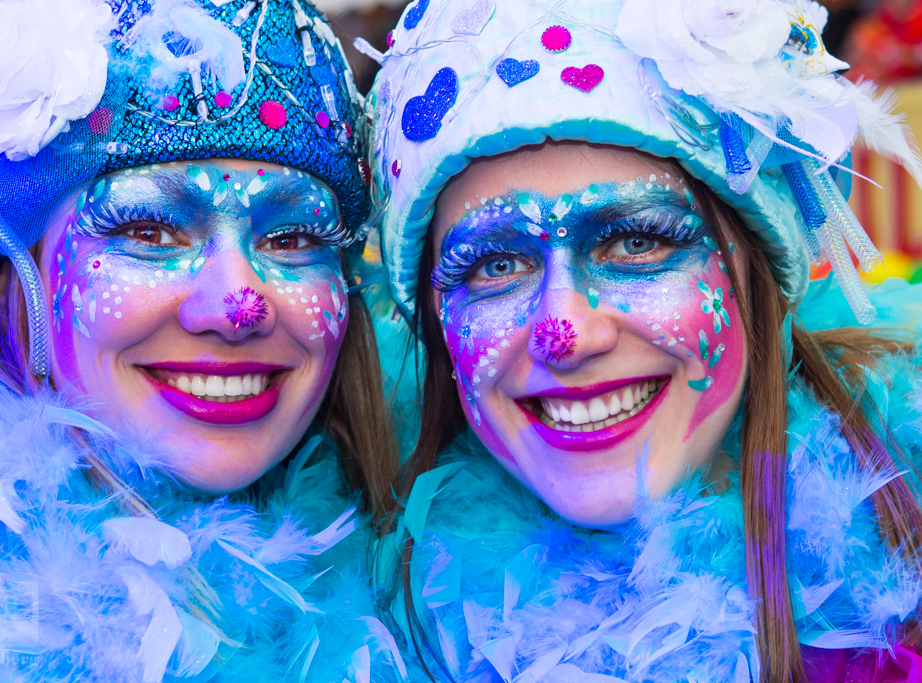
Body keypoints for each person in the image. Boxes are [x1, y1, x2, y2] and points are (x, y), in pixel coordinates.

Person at [367, 0, 922, 680]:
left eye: (637, 241)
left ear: (759, 269)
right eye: (496, 264)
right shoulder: (383, 635)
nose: (566, 334)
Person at [0, 0, 406, 680]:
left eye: (292, 237)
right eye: (149, 229)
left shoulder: (432, 607)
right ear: (21, 268)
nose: (237, 307)